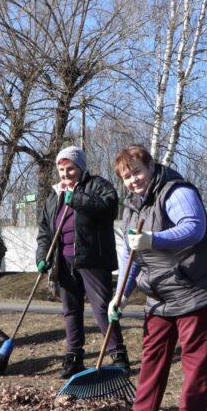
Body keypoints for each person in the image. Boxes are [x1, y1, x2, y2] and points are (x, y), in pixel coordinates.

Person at [110, 145, 207, 411]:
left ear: (151, 166)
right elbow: (129, 257)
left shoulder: (175, 191)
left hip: (196, 282)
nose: (134, 180)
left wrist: (152, 239)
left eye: (137, 171)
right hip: (161, 288)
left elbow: (194, 227)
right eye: (127, 176)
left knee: (193, 350)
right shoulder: (131, 206)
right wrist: (120, 295)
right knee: (153, 347)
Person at [36, 145, 125, 379]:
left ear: (81, 167)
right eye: (61, 169)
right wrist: (42, 256)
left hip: (92, 257)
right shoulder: (54, 196)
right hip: (63, 260)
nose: (65, 174)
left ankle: (118, 355)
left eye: (70, 169)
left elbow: (108, 207)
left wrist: (75, 198)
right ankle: (74, 357)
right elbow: (45, 230)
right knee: (70, 310)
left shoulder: (97, 185)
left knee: (103, 307)